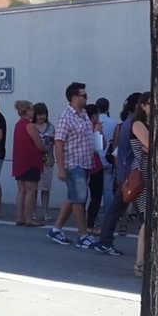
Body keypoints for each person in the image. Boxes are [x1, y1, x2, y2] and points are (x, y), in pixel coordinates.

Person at [47, 82, 95, 248]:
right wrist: (61, 168)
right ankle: (82, 235)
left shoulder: (83, 114)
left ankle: (56, 229)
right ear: (74, 97)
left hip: (85, 163)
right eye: (84, 95)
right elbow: (58, 143)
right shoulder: (66, 117)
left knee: (73, 197)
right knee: (79, 199)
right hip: (74, 164)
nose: (86, 98)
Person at [94, 93, 141, 256]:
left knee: (118, 208)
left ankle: (105, 239)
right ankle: (106, 240)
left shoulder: (125, 124)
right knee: (137, 211)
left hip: (125, 172)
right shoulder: (133, 124)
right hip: (131, 174)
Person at [11, 100, 44, 226]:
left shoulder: (18, 124)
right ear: (28, 111)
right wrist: (46, 149)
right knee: (31, 190)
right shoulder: (30, 126)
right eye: (32, 109)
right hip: (30, 161)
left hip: (19, 161)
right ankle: (29, 218)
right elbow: (39, 145)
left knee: (21, 190)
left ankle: (20, 217)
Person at [131, 92, 154, 276]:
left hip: (154, 174)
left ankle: (145, 261)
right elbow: (150, 143)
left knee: (152, 220)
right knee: (147, 220)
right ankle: (140, 262)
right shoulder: (138, 124)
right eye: (151, 103)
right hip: (144, 176)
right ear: (143, 106)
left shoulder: (155, 124)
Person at [84, 104, 105, 232]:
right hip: (94, 166)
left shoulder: (82, 126)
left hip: (85, 165)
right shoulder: (94, 127)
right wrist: (98, 132)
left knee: (83, 196)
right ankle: (90, 225)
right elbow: (99, 147)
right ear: (93, 116)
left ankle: (85, 224)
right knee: (96, 197)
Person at [33, 103, 55, 223]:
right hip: (35, 160)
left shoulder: (51, 127)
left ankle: (46, 212)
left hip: (48, 160)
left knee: (46, 188)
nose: (42, 117)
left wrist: (52, 139)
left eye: (44, 114)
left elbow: (56, 141)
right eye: (39, 114)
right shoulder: (31, 126)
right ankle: (33, 212)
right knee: (34, 188)